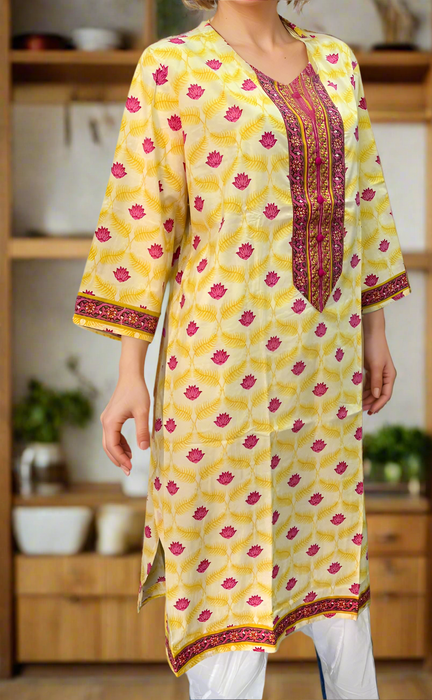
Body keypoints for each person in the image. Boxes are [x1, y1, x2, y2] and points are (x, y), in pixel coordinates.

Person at [72, 0, 412, 697]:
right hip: (218, 375)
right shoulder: (171, 67)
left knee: (335, 585)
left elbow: (367, 201)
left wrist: (375, 331)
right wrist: (130, 371)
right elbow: (143, 218)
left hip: (322, 377)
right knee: (225, 587)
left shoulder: (337, 63)